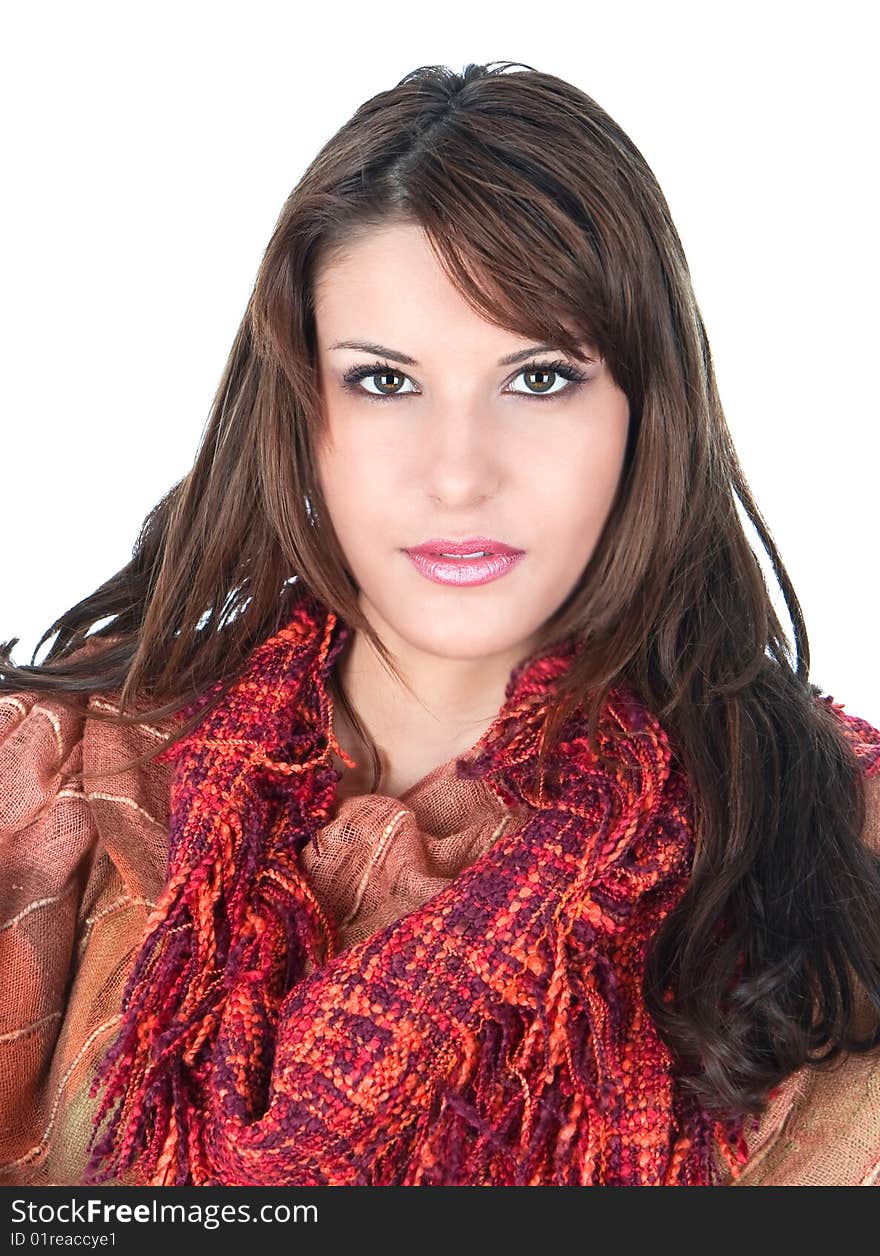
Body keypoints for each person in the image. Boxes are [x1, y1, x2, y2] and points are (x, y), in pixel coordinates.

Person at [2, 60, 879, 1189]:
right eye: (384, 381)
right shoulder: (58, 780)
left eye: (540, 377)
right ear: (299, 405)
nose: (458, 474)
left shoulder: (826, 844)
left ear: (644, 409)